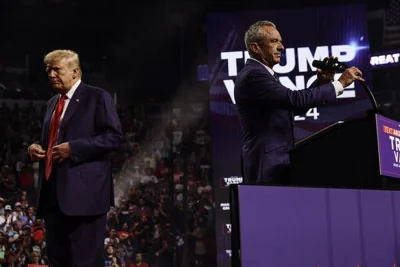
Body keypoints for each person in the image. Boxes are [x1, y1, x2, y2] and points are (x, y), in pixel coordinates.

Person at [234, 20, 364, 184]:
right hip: (266, 164)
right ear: (255, 48)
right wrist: (340, 83)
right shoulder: (254, 75)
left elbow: (291, 108)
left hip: (275, 162)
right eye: (274, 41)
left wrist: (322, 82)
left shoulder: (263, 74)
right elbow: (295, 100)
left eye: (280, 41)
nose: (281, 47)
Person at [27, 49, 123, 267]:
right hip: (53, 196)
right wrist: (35, 147)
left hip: (85, 198)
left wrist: (74, 148)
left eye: (56, 70)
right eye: (48, 71)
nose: (51, 75)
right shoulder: (52, 103)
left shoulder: (97, 97)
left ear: (75, 72)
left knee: (85, 262)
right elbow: (51, 140)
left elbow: (115, 138)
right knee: (58, 260)